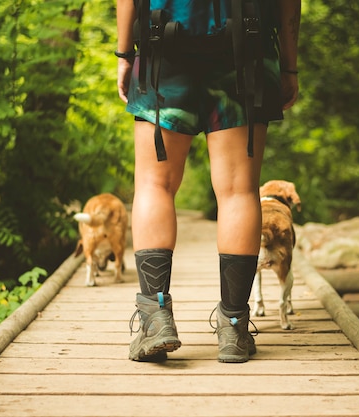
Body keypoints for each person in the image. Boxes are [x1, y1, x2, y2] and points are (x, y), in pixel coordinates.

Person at [116, 0, 300, 363]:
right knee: (238, 190)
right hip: (245, 48)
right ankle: (234, 327)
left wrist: (124, 53)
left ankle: (155, 321)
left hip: (162, 47)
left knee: (155, 184)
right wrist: (289, 66)